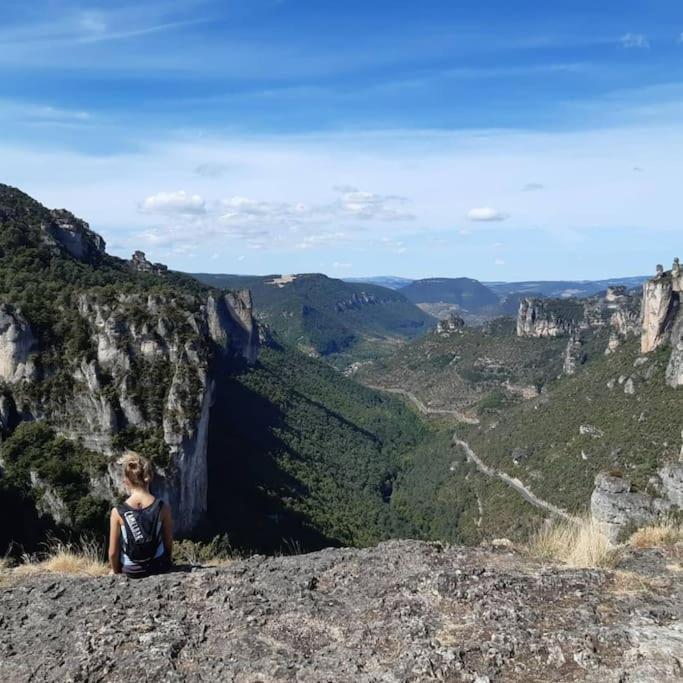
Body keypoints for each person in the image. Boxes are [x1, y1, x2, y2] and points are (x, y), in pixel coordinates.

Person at [108, 451, 173, 578]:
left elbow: (113, 552)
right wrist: (168, 562)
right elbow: (168, 543)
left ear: (126, 481)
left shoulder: (118, 512)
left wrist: (115, 571)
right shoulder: (162, 507)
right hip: (157, 566)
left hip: (130, 569)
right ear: (149, 478)